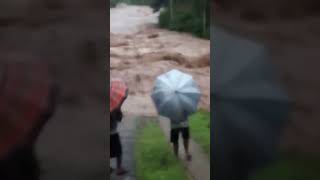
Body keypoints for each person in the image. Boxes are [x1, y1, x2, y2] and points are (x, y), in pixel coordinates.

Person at [110, 107, 127, 176]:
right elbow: (119, 119)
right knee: (118, 152)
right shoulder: (115, 108)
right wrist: (118, 112)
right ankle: (119, 169)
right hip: (113, 134)